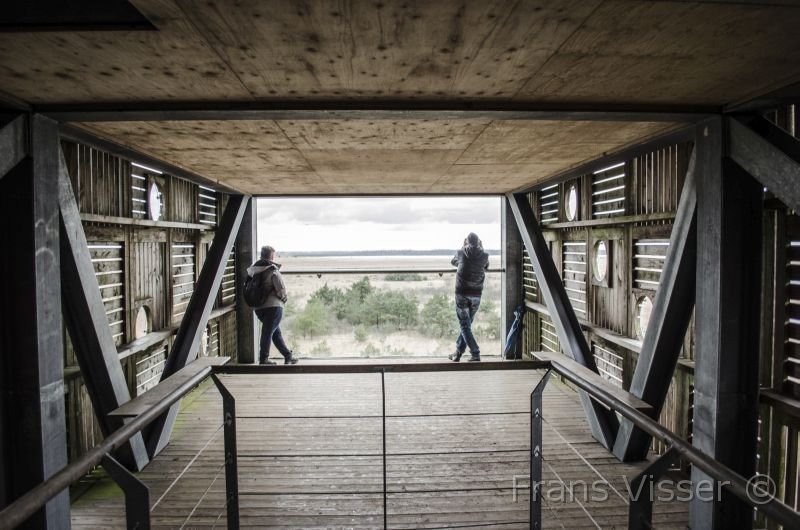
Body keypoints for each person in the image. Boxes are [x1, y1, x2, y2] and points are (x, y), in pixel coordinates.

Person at [247, 246, 299, 365]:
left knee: (275, 332)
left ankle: (288, 355)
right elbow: (280, 288)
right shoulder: (272, 269)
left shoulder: (253, 270)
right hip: (273, 307)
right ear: (272, 256)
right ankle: (263, 359)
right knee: (268, 332)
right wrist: (284, 299)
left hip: (258, 307)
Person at [448, 233, 490, 362]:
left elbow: (453, 261)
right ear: (478, 242)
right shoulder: (484, 255)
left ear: (467, 241)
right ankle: (458, 352)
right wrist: (480, 248)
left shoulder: (461, 253)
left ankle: (475, 353)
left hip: (462, 294)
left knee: (465, 325)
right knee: (466, 325)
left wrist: (463, 247)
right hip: (476, 295)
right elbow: (486, 266)